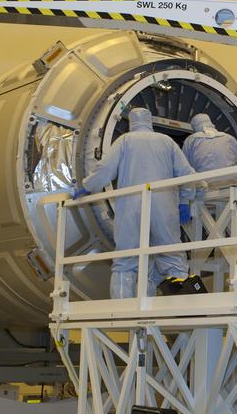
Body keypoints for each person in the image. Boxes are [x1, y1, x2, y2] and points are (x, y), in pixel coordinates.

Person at [75, 108, 196, 298]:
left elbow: (105, 169)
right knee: (172, 255)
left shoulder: (124, 141)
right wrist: (185, 200)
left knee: (126, 259)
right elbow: (186, 173)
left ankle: (123, 312)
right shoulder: (166, 141)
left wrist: (88, 186)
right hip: (164, 206)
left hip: (131, 207)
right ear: (150, 121)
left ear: (131, 122)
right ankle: (179, 306)